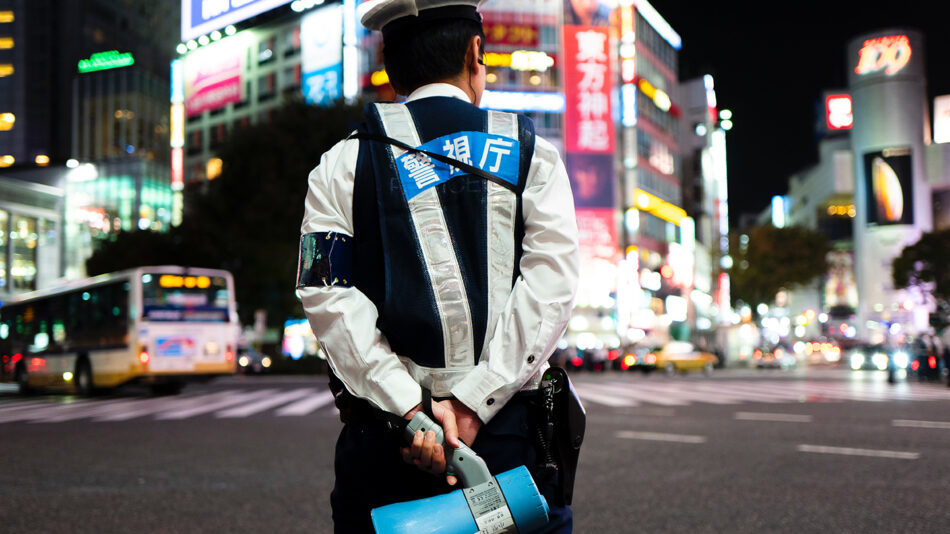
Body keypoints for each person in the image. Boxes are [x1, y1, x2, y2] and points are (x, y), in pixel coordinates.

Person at [295, 0, 580, 531]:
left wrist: (412, 413)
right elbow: (552, 285)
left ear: (391, 65)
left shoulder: (339, 164)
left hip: (387, 440)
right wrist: (471, 407)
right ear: (476, 52)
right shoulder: (533, 155)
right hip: (509, 443)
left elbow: (326, 296)